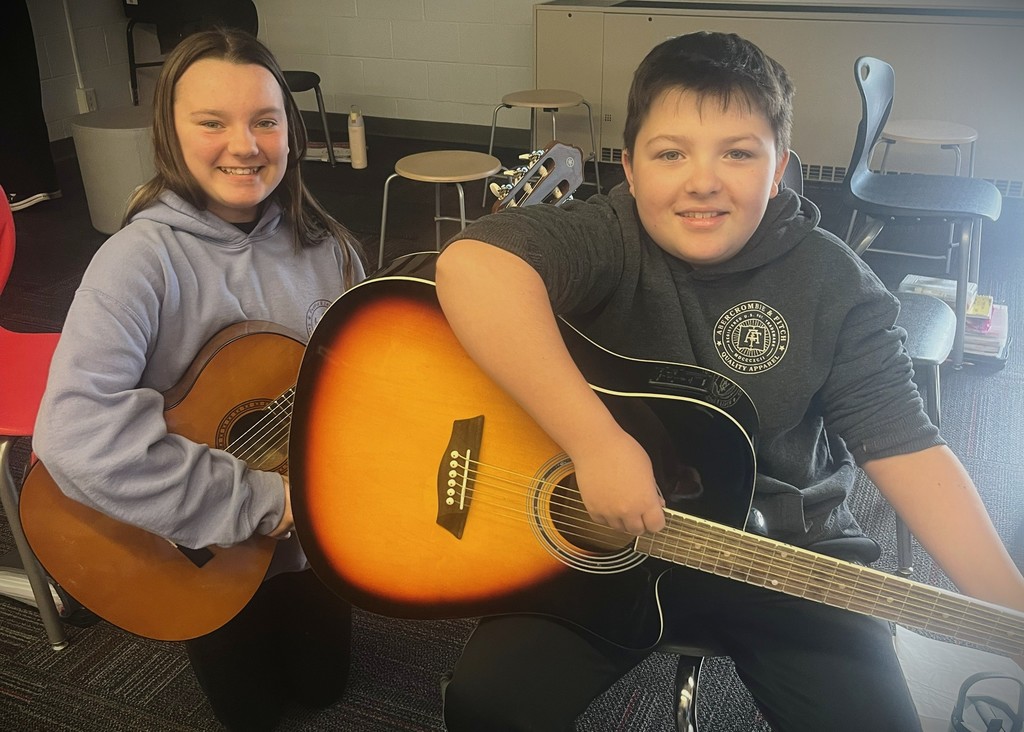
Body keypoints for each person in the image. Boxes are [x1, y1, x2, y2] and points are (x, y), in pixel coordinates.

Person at [434, 31, 1024, 732]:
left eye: (739, 153)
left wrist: (1010, 613)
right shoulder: (609, 236)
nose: (702, 180)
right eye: (670, 153)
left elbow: (906, 446)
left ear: (779, 171)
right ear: (629, 166)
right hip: (612, 539)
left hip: (788, 555)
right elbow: (473, 268)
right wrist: (594, 442)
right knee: (488, 702)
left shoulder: (835, 283)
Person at [33, 28, 364, 732]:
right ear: (170, 133)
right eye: (212, 122)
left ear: (291, 131)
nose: (244, 146)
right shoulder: (138, 261)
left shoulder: (329, 246)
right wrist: (258, 501)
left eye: (265, 120)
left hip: (315, 538)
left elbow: (363, 383)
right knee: (252, 716)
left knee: (327, 691)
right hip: (195, 545)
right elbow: (72, 432)